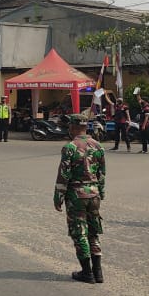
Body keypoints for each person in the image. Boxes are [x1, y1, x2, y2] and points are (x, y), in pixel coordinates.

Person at [53, 115, 106, 283]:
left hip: (76, 194)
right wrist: (101, 192)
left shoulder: (70, 147)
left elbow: (64, 174)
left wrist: (58, 196)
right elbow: (101, 173)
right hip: (94, 193)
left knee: (79, 233)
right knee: (93, 231)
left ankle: (87, 273)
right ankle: (98, 272)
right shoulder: (98, 145)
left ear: (73, 127)